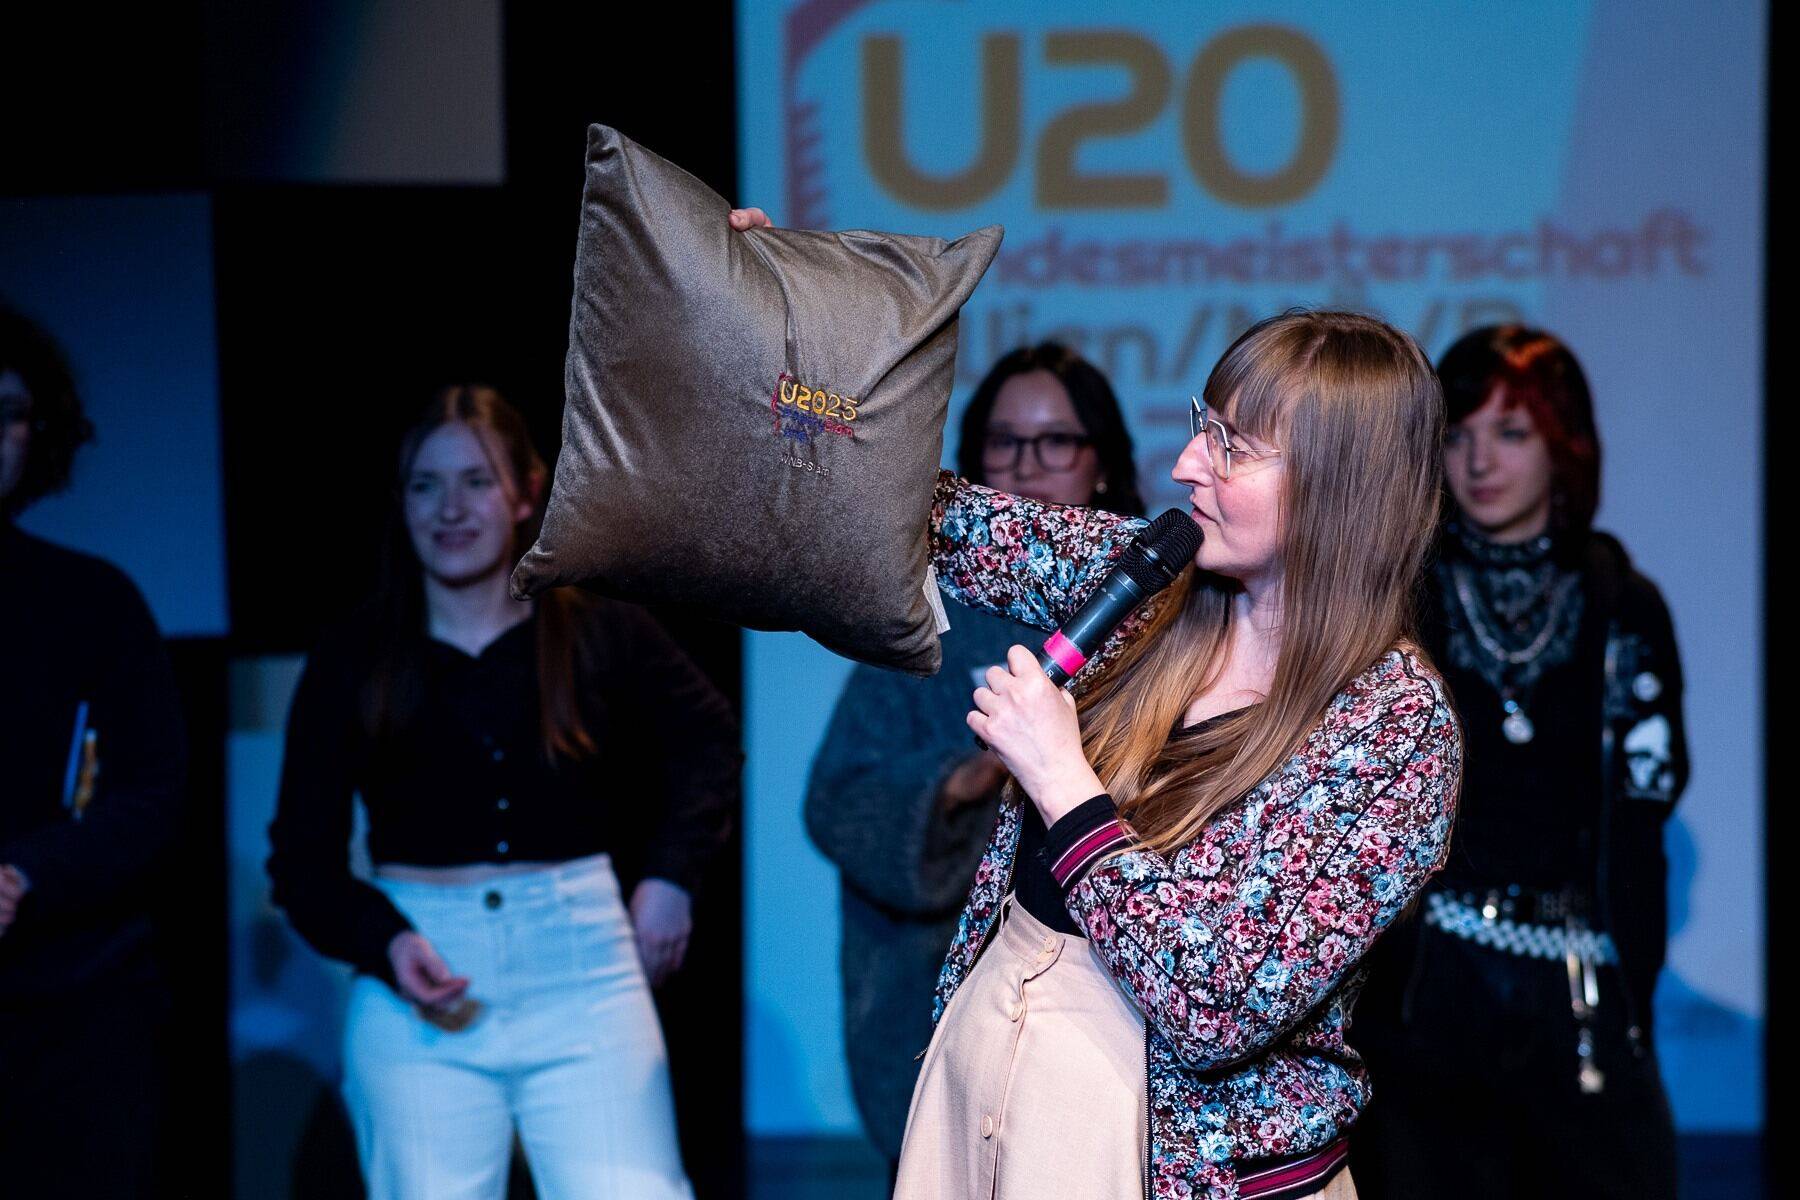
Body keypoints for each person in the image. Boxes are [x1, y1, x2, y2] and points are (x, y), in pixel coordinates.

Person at [738, 201, 1459, 1199]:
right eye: (1202, 427)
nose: (1186, 464)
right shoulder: (1157, 577)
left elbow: (1216, 1007)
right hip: (992, 1091)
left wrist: (1063, 782)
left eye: (1234, 447)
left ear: (1342, 489)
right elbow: (923, 512)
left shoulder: (1396, 726)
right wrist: (772, 328)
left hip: (1173, 1165)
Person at [266, 384, 740, 1200]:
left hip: (582, 964)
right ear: (402, 502)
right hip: (423, 970)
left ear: (524, 494)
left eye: (476, 482)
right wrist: (385, 942)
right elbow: (299, 859)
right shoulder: (356, 655)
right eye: (427, 485)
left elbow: (708, 738)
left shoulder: (595, 628)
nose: (451, 508)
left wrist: (670, 878)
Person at [1347, 327, 1687, 1200]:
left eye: (1511, 432)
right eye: (1457, 435)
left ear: (1563, 443)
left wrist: (1634, 999)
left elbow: (1640, 820)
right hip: (1425, 991)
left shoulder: (1624, 607)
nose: (1478, 461)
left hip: (1577, 993)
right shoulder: (1402, 596)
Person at [804, 342, 1145, 1177]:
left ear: (1101, 461)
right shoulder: (927, 616)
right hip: (939, 987)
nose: (1027, 465)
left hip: (1111, 1002)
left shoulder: (1156, 619)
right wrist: (960, 784)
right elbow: (837, 795)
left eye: (1055, 441)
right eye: (1004, 442)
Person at [0, 303, 186, 1198]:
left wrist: (23, 873)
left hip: (71, 1008)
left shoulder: (93, 600)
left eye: (8, 412)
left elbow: (153, 793)